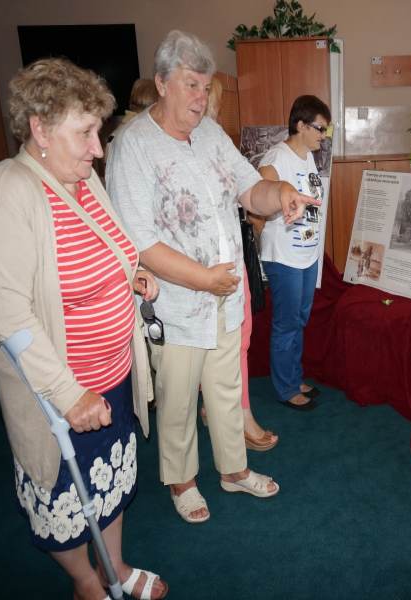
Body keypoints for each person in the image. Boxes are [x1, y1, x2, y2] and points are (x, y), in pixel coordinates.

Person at [0, 58, 168, 599]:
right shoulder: (4, 194)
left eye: (97, 133)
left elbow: (116, 249)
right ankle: (86, 581)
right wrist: (68, 393)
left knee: (111, 481)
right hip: (59, 393)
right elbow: (7, 311)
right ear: (39, 128)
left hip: (111, 377)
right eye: (84, 133)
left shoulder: (81, 181)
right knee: (62, 496)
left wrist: (137, 275)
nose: (97, 149)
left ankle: (116, 567)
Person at [107, 30, 318, 523]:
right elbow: (139, 242)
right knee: (178, 399)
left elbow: (250, 191)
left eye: (205, 87)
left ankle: (234, 470)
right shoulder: (132, 146)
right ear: (161, 84)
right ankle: (182, 482)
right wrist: (204, 280)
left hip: (226, 292)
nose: (201, 99)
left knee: (226, 391)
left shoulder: (210, 135)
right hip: (179, 303)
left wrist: (281, 192)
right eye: (191, 86)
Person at [203, 74, 278, 451]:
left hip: (231, 259)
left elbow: (252, 191)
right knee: (234, 344)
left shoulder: (216, 145)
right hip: (212, 270)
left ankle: (227, 411)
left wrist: (274, 188)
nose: (213, 115)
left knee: (238, 341)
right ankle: (241, 418)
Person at [258, 95, 330, 410]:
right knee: (286, 323)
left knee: (298, 321)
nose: (323, 135)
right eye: (319, 128)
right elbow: (261, 192)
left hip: (306, 255)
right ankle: (286, 388)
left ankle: (294, 375)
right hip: (284, 256)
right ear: (300, 125)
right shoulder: (277, 156)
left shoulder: (308, 158)